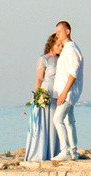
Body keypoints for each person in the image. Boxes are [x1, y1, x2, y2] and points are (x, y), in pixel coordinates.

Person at [22, 32, 62, 161]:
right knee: (43, 123)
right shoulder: (43, 59)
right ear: (51, 44)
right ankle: (39, 152)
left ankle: (54, 151)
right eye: (58, 45)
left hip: (57, 92)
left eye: (62, 46)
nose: (60, 48)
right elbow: (39, 78)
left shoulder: (61, 59)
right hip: (46, 91)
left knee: (55, 122)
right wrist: (37, 94)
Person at [47, 21, 84, 159]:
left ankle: (65, 150)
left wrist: (63, 93)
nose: (57, 34)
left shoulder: (72, 49)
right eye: (56, 32)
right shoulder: (66, 49)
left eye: (60, 32)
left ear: (67, 31)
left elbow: (73, 73)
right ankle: (73, 151)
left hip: (68, 92)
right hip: (65, 91)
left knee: (58, 119)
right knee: (69, 121)